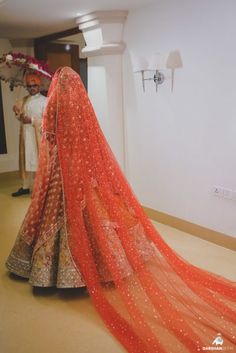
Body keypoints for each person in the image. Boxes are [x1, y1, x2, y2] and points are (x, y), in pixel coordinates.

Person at [6, 67, 236, 353]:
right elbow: (91, 139)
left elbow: (50, 138)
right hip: (83, 170)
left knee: (55, 214)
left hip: (60, 172)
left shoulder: (52, 104)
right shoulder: (81, 104)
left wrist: (53, 164)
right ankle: (99, 266)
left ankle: (49, 274)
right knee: (91, 214)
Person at [12, 73, 47, 197]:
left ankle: (40, 189)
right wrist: (17, 112)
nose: (32, 88)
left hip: (37, 136)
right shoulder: (24, 100)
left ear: (39, 86)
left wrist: (31, 120)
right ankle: (25, 186)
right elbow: (20, 116)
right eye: (29, 86)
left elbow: (47, 121)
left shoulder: (45, 101)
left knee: (37, 161)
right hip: (25, 135)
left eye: (34, 85)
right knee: (26, 160)